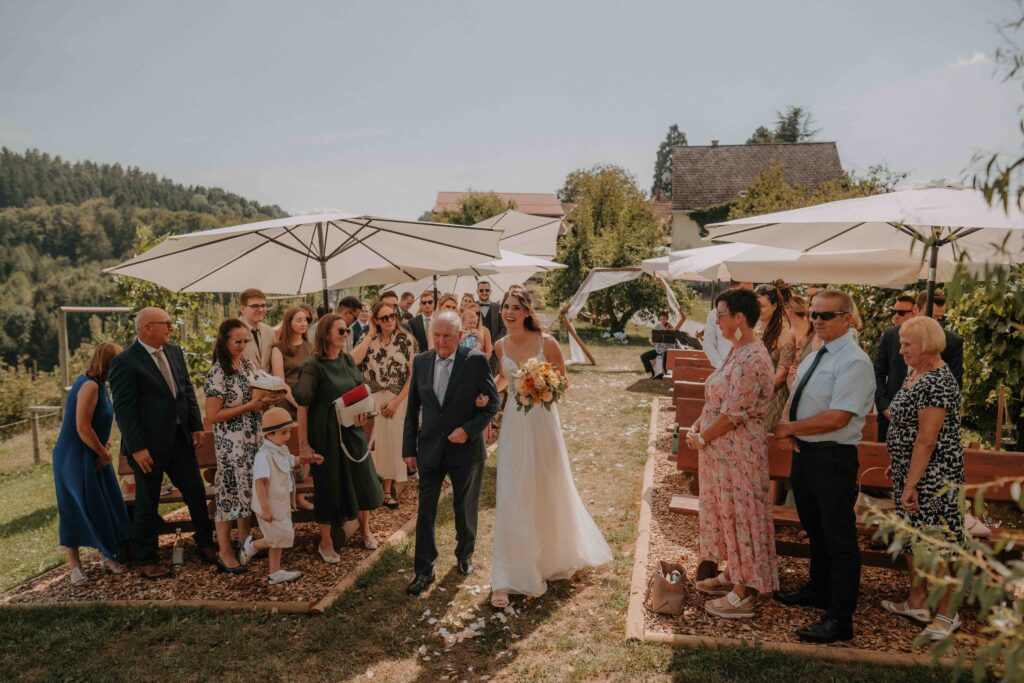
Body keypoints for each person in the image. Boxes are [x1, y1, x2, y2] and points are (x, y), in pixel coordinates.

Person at [490, 287, 612, 608]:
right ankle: (506, 576)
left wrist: (541, 382)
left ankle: (547, 558)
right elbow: (503, 380)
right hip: (515, 426)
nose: (509, 312)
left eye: (516, 307)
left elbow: (564, 382)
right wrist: (488, 393)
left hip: (543, 422)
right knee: (512, 492)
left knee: (547, 487)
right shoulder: (499, 344)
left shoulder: (548, 342)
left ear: (528, 311)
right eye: (506, 307)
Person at [773, 290, 875, 643]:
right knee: (814, 528)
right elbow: (800, 396)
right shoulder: (819, 353)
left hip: (833, 458)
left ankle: (840, 616)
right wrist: (790, 429)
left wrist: (789, 428)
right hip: (808, 455)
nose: (817, 320)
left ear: (847, 318)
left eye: (826, 315)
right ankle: (818, 590)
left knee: (839, 539)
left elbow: (838, 417)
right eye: (814, 314)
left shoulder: (854, 361)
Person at [686, 289, 778, 618]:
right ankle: (734, 574)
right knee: (726, 514)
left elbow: (734, 413)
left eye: (720, 315)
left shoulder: (754, 357)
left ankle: (743, 593)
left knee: (741, 517)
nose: (717, 322)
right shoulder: (736, 350)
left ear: (739, 317)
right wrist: (698, 426)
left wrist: (703, 438)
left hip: (739, 455)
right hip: (721, 454)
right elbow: (717, 399)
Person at [109, 307, 218, 578]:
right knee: (147, 502)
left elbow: (187, 391)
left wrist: (195, 426)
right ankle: (147, 559)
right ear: (147, 327)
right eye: (166, 323)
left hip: (180, 441)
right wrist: (137, 448)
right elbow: (124, 410)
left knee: (195, 492)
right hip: (148, 448)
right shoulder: (125, 362)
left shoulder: (174, 352)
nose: (171, 327)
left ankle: (205, 543)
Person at [879, 316, 965, 641]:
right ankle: (916, 601)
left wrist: (912, 481)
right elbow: (906, 427)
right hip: (911, 471)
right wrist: (898, 464)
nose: (901, 351)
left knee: (935, 544)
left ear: (926, 345)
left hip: (935, 478)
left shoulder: (939, 382)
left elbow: (927, 439)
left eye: (906, 345)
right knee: (914, 542)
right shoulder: (916, 374)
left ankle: (947, 612)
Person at [402, 311, 499, 596]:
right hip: (430, 447)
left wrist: (469, 430)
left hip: (465, 450)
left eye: (447, 336)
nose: (441, 341)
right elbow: (412, 409)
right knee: (425, 511)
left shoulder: (476, 361)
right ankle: (423, 570)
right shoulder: (420, 362)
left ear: (459, 336)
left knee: (464, 505)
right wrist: (409, 448)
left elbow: (492, 404)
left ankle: (464, 554)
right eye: (437, 336)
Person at [294, 314, 383, 561]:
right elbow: (303, 406)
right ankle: (325, 542)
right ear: (325, 335)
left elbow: (357, 393)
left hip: (352, 430)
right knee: (329, 486)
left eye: (346, 331)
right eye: (341, 331)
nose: (345, 335)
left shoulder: (346, 360)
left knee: (363, 478)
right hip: (326, 434)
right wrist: (304, 445)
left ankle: (365, 530)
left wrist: (364, 414)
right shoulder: (313, 366)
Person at [204, 319, 280, 573]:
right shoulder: (217, 372)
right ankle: (225, 553)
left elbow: (254, 395)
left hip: (253, 439)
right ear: (224, 341)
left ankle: (244, 543)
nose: (243, 346)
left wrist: (268, 398)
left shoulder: (247, 364)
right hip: (232, 445)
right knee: (229, 496)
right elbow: (213, 415)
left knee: (249, 492)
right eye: (238, 342)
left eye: (246, 341)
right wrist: (250, 406)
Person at [53, 342, 132, 585]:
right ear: (109, 363)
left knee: (105, 503)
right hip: (75, 456)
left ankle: (107, 555)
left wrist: (104, 448)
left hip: (95, 453)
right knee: (77, 507)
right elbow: (82, 427)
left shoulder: (101, 385)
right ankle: (75, 566)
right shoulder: (88, 386)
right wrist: (104, 453)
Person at [238, 407, 323, 585]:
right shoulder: (264, 456)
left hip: (281, 501)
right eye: (283, 432)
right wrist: (265, 508)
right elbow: (259, 483)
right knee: (276, 537)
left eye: (289, 432)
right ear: (269, 434)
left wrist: (309, 459)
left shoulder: (280, 449)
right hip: (269, 504)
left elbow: (292, 461)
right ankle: (252, 545)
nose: (288, 436)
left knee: (280, 538)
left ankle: (274, 573)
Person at [351, 300, 417, 509]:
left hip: (398, 397)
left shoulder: (406, 339)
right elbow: (353, 360)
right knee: (374, 443)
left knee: (391, 444)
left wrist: (397, 402)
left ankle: (387, 490)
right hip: (372, 397)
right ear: (376, 320)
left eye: (393, 316)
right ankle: (374, 488)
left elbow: (414, 376)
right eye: (384, 317)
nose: (390, 320)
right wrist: (370, 333)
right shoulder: (368, 337)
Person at [874, 292, 963, 441]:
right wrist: (885, 408)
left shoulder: (952, 341)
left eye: (939, 318)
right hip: (890, 422)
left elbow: (955, 382)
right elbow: (878, 373)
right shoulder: (891, 334)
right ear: (916, 309)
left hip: (928, 427)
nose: (935, 322)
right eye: (930, 315)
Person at [270, 306, 315, 510]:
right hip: (288, 403)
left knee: (306, 444)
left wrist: (309, 402)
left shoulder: (311, 346)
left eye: (305, 320)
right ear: (289, 323)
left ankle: (300, 495)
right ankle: (288, 497)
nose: (303, 323)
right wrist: (299, 403)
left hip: (309, 401)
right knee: (288, 449)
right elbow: (280, 381)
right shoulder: (278, 348)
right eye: (299, 320)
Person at [755, 282, 796, 431]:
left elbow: (782, 374)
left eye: (761, 305)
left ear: (774, 306)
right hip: (751, 397)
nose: (756, 309)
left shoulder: (785, 335)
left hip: (772, 399)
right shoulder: (754, 330)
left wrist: (757, 394)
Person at [703, 281, 753, 369]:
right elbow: (708, 344)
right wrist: (721, 366)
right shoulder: (714, 314)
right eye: (744, 293)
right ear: (732, 289)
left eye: (751, 293)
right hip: (722, 369)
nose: (749, 298)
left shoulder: (754, 315)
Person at [238, 288, 274, 372]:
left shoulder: (269, 331)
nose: (261, 310)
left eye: (263, 305)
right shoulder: (231, 331)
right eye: (255, 306)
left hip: (268, 384)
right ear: (242, 309)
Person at [640, 311, 683, 379]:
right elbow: (652, 339)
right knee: (643, 356)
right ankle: (652, 372)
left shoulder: (670, 326)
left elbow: (672, 338)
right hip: (658, 349)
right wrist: (651, 341)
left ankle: (665, 373)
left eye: (664, 319)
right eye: (661, 319)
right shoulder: (657, 327)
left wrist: (670, 330)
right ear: (659, 319)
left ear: (667, 319)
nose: (663, 320)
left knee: (665, 355)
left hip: (667, 349)